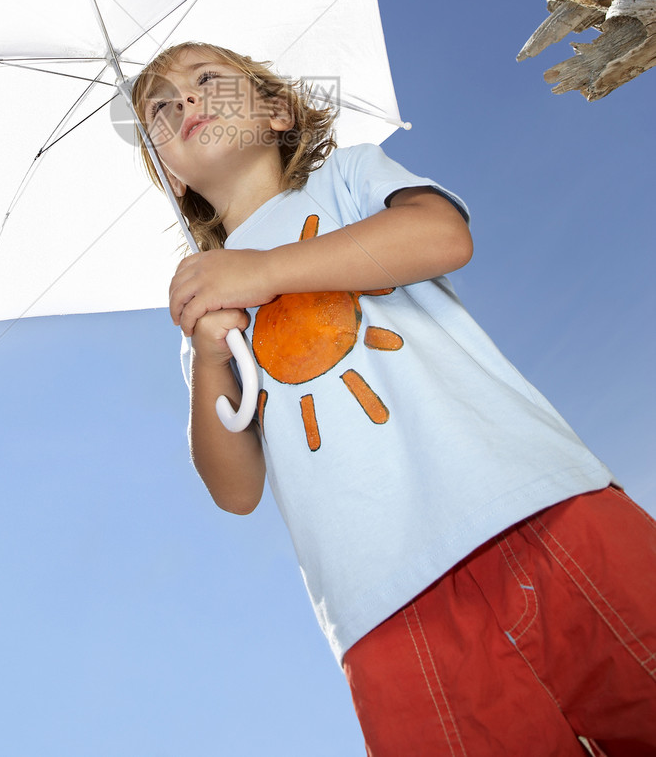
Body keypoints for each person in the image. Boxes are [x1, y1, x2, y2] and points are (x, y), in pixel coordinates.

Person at [131, 41, 656, 756]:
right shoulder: (203, 305)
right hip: (381, 603)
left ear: (278, 109)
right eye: (159, 108)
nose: (184, 101)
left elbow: (442, 235)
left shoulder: (347, 178)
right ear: (172, 176)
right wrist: (210, 352)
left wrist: (264, 272)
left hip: (536, 504)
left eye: (207, 80)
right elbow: (236, 487)